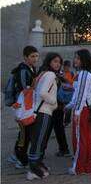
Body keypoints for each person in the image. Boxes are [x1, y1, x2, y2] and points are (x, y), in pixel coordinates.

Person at [27, 52, 61, 180]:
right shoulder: (50, 74)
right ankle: (33, 170)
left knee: (39, 140)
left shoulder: (42, 74)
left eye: (59, 62)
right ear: (49, 62)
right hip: (44, 111)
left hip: (39, 111)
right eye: (55, 61)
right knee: (39, 140)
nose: (57, 64)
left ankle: (38, 165)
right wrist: (54, 102)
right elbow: (42, 93)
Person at [65, 49, 91, 175]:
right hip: (85, 109)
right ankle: (86, 165)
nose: (75, 60)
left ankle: (78, 167)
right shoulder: (90, 73)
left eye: (78, 58)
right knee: (86, 138)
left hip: (82, 110)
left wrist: (76, 112)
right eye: (75, 58)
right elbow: (79, 94)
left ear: (84, 60)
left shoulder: (84, 74)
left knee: (79, 139)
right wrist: (70, 106)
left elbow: (81, 95)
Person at [8, 46, 39, 169]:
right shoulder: (23, 71)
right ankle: (21, 159)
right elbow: (23, 90)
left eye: (36, 56)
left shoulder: (31, 68)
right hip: (22, 108)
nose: (35, 58)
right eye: (32, 56)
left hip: (27, 107)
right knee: (24, 134)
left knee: (25, 133)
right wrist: (34, 86)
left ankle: (17, 155)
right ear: (25, 57)